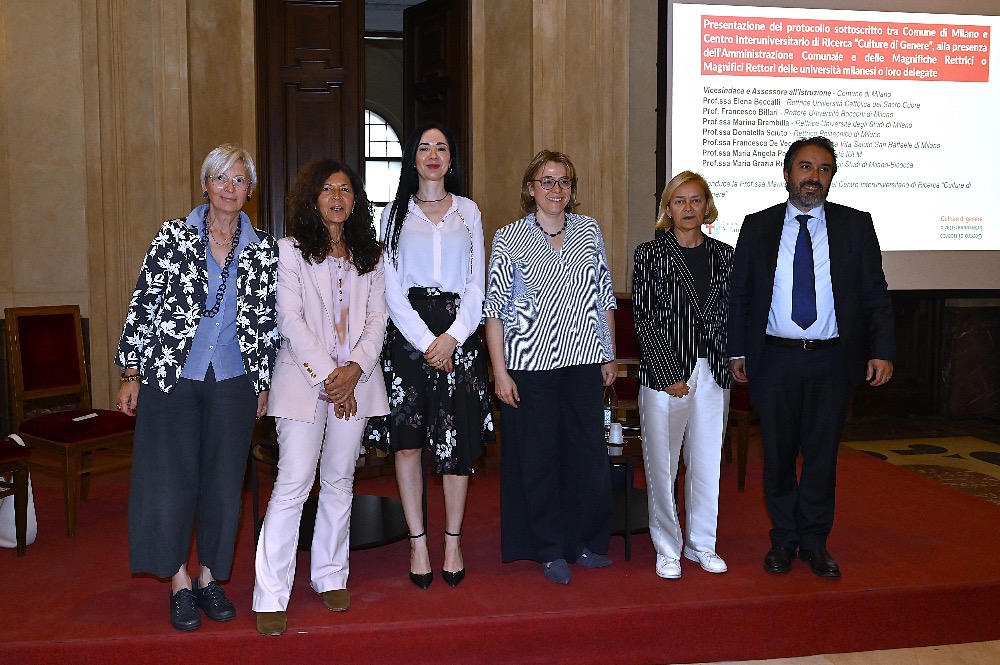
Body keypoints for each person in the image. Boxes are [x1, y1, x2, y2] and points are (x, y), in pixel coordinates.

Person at [116, 143, 278, 631]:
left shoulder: (264, 248)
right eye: (221, 178)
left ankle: (209, 576)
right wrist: (130, 373)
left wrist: (262, 382)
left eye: (239, 180)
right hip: (172, 376)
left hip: (234, 378)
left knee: (224, 484)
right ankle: (179, 582)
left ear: (249, 191)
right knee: (170, 481)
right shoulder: (172, 238)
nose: (230, 188)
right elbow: (142, 303)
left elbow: (270, 321)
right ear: (205, 184)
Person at [727, 136, 895, 578]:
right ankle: (784, 540)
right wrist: (737, 350)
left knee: (821, 456)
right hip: (775, 360)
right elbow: (740, 294)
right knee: (779, 456)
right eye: (805, 167)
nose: (813, 178)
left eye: (823, 169)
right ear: (787, 174)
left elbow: (875, 294)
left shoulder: (855, 226)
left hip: (832, 361)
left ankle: (816, 543)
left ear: (832, 177)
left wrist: (882, 350)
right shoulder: (757, 225)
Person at [252, 159, 388, 636]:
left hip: (357, 383)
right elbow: (290, 321)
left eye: (346, 190)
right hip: (305, 385)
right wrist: (333, 378)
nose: (337, 196)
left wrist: (353, 372)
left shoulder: (371, 255)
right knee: (293, 482)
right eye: (328, 189)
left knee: (339, 479)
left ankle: (331, 574)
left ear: (356, 201)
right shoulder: (289, 252)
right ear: (313, 198)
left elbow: (377, 321)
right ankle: (270, 593)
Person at [485, 149, 617, 585]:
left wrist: (608, 353)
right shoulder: (509, 238)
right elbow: (494, 312)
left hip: (583, 362)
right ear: (530, 188)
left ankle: (581, 542)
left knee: (586, 457)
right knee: (538, 459)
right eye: (547, 181)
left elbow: (604, 298)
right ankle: (547, 548)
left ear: (572, 190)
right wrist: (500, 372)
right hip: (530, 366)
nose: (555, 189)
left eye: (563, 182)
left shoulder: (589, 231)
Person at [376, 121, 494, 590]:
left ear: (451, 159)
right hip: (408, 338)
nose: (432, 154)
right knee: (408, 443)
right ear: (413, 158)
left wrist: (454, 337)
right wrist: (428, 341)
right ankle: (418, 541)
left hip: (460, 338)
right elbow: (389, 288)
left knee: (455, 444)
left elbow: (475, 283)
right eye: (424, 147)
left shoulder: (468, 211)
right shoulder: (392, 214)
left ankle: (452, 541)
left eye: (441, 147)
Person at [632, 171, 734, 580]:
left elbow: (733, 316)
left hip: (714, 372)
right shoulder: (649, 254)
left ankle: (701, 545)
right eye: (679, 201)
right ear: (667, 209)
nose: (688, 208)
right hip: (666, 375)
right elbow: (643, 318)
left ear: (707, 206)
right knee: (662, 465)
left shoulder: (726, 255)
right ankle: (668, 547)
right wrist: (668, 372)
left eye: (696, 200)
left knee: (708, 463)